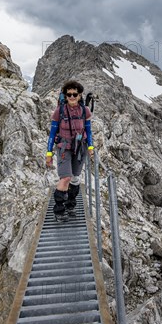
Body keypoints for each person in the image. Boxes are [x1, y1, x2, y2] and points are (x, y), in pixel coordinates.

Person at [46, 80, 94, 222]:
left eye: (75, 94)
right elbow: (52, 134)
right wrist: (49, 153)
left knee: (75, 178)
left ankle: (70, 205)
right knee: (66, 177)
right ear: (65, 96)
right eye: (69, 94)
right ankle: (59, 210)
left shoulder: (85, 111)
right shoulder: (59, 112)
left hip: (80, 147)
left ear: (79, 96)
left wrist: (90, 147)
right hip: (63, 147)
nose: (72, 97)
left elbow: (89, 131)